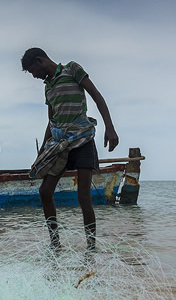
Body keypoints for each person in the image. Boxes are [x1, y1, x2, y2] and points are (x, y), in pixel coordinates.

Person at [21, 47, 119, 253]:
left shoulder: (72, 69)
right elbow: (52, 120)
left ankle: (91, 246)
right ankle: (55, 243)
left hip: (82, 139)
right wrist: (40, 154)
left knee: (84, 196)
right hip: (59, 144)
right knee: (45, 191)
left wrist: (109, 127)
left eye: (32, 71)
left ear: (40, 61)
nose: (35, 76)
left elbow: (96, 95)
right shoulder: (48, 87)